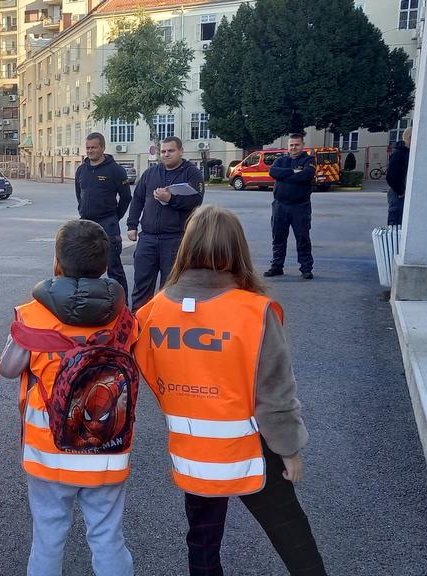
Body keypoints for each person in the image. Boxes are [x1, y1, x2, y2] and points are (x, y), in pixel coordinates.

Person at [132, 205, 326, 576]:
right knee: (293, 538)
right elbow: (275, 393)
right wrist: (289, 450)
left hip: (192, 449)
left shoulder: (151, 313)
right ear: (237, 250)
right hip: (254, 446)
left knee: (202, 543)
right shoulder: (255, 312)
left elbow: (152, 374)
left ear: (187, 247)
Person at [0, 220, 135, 576]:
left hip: (49, 452)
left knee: (48, 536)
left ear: (57, 262)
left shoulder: (31, 315)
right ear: (104, 266)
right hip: (108, 447)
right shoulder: (123, 318)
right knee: (107, 536)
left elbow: (8, 369)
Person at [126, 137, 205, 311]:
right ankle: (138, 319)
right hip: (148, 238)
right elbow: (137, 199)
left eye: (171, 151)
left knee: (170, 286)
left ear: (181, 151)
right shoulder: (151, 173)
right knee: (141, 284)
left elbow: (196, 201)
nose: (166, 154)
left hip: (175, 239)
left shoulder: (192, 173)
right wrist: (132, 225)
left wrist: (171, 199)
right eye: (163, 151)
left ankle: (165, 320)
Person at [75, 132, 132, 301]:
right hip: (86, 224)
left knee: (114, 268)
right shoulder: (81, 170)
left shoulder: (116, 170)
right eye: (88, 148)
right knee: (84, 267)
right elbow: (79, 194)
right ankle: (87, 304)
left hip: (108, 224)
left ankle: (122, 306)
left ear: (103, 148)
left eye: (94, 147)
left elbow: (126, 197)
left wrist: (114, 217)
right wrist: (83, 210)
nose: (90, 151)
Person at [265, 133, 316, 280]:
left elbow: (306, 175)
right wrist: (293, 171)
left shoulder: (308, 160)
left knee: (302, 238)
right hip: (279, 206)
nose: (294, 147)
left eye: (297, 145)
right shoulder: (281, 160)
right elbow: (273, 172)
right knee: (278, 237)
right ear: (288, 146)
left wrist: (283, 176)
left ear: (302, 145)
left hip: (300, 206)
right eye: (291, 145)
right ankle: (277, 267)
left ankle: (306, 269)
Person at [385, 127, 412, 226]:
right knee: (396, 226)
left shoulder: (407, 153)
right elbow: (391, 177)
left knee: (401, 224)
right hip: (398, 195)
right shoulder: (399, 153)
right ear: (410, 137)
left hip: (400, 193)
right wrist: (401, 191)